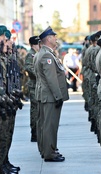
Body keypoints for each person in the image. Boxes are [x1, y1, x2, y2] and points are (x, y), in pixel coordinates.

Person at [35, 26, 69, 162]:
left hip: (44, 95)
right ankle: (49, 152)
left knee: (46, 124)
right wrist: (58, 96)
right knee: (50, 125)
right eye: (54, 36)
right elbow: (51, 79)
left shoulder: (42, 53)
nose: (56, 38)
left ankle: (47, 149)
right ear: (48, 39)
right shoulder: (47, 55)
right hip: (49, 96)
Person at [24, 35, 40, 142]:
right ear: (34, 44)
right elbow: (29, 68)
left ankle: (38, 130)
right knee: (35, 109)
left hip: (39, 85)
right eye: (39, 43)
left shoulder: (37, 54)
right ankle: (34, 132)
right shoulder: (30, 55)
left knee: (39, 109)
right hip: (34, 85)